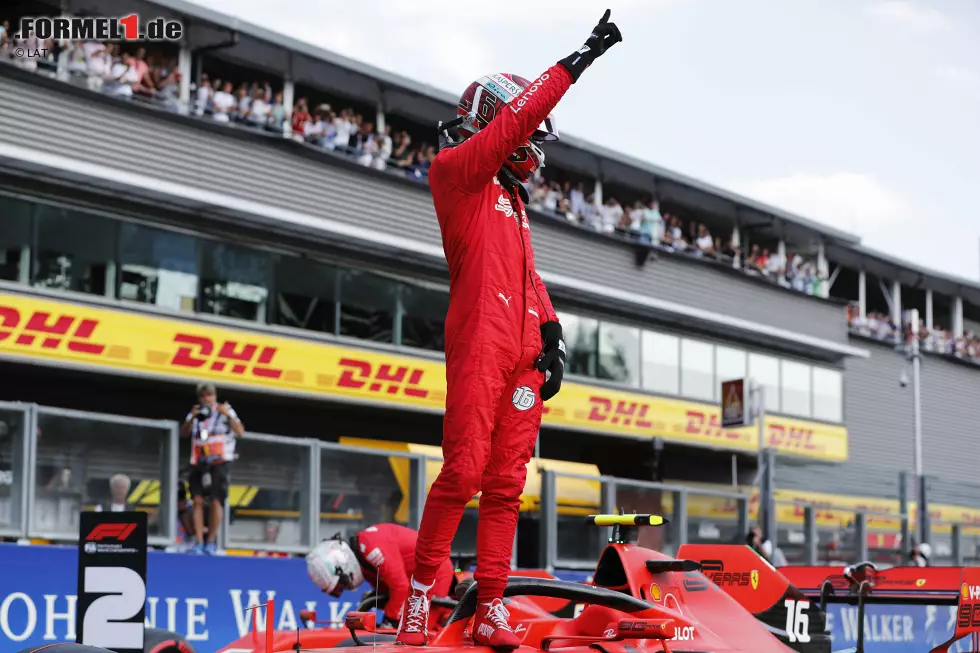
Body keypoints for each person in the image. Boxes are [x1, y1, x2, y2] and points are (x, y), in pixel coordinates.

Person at [394, 11, 622, 650]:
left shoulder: (511, 200)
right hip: (479, 345)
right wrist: (575, 63)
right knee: (462, 473)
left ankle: (490, 604)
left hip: (518, 355)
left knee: (506, 488)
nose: (535, 151)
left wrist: (551, 335)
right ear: (497, 119)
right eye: (528, 136)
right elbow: (515, 125)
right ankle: (419, 598)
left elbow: (527, 277)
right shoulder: (457, 175)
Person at [306, 523, 455, 627]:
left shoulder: (370, 547)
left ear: (343, 564)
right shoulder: (365, 561)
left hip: (435, 573)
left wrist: (389, 621)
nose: (347, 587)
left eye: (343, 583)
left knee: (421, 632)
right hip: (417, 580)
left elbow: (400, 587)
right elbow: (391, 592)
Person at [179, 382, 244, 554]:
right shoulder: (195, 413)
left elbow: (240, 431)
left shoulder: (225, 410)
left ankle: (211, 540)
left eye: (209, 395)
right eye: (203, 396)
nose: (206, 399)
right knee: (197, 500)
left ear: (215, 396)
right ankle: (199, 542)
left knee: (216, 500)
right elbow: (183, 433)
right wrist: (192, 417)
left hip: (220, 462)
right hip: (199, 461)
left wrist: (227, 415)